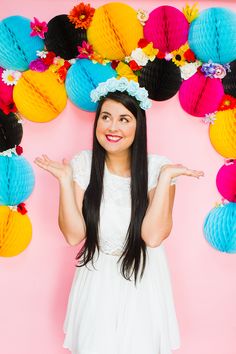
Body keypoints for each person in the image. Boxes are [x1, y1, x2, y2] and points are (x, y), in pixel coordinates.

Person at [34, 77, 204, 354]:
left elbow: (152, 236)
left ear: (139, 126)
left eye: (124, 119)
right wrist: (65, 182)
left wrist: (164, 180)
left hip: (143, 278)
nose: (113, 127)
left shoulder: (159, 167)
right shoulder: (84, 163)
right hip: (97, 278)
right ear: (97, 122)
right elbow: (73, 235)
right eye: (106, 117)